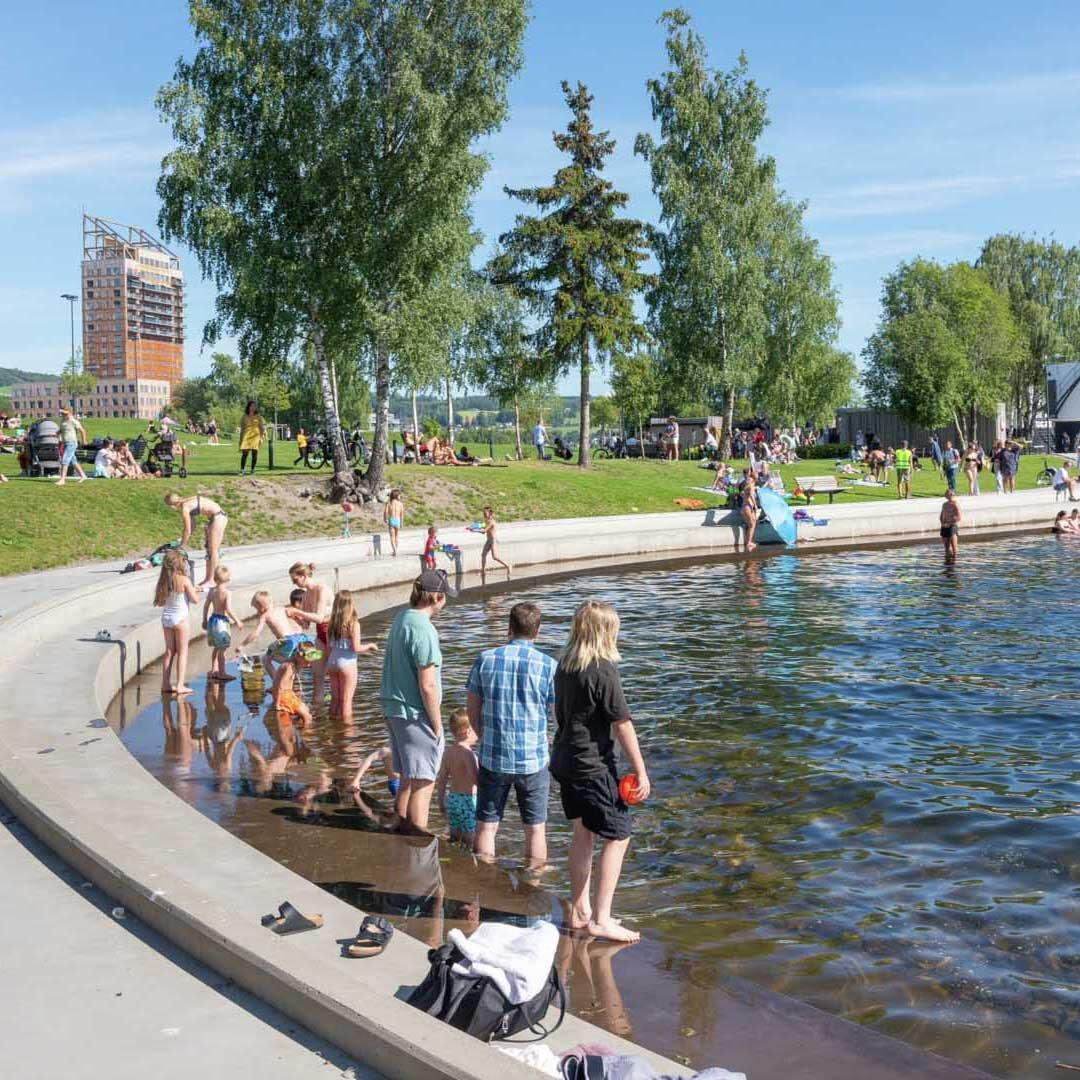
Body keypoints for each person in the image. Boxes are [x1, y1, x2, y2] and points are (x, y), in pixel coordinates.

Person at [551, 600, 650, 944]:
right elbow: (622, 724)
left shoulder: (564, 666)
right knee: (618, 835)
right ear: (604, 632)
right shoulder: (602, 669)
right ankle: (601, 919)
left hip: (564, 759)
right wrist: (641, 771)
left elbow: (558, 714)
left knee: (582, 832)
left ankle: (580, 910)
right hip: (590, 764)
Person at [467, 601, 557, 867]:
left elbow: (472, 708)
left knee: (486, 827)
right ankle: (534, 888)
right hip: (533, 759)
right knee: (535, 829)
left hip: (493, 756)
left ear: (509, 628)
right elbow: (557, 716)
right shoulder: (549, 666)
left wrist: (483, 736)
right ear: (537, 632)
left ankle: (485, 880)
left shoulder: (486, 659)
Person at [379, 568, 454, 832]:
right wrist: (437, 725)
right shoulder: (424, 630)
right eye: (444, 596)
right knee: (424, 784)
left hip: (394, 709)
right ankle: (417, 847)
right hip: (415, 714)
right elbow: (428, 685)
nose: (445, 601)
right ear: (435, 597)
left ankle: (399, 831)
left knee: (408, 779)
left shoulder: (402, 617)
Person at [284, 562, 333, 707]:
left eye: (295, 580)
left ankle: (337, 713)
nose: (294, 584)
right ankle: (318, 714)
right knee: (317, 677)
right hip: (321, 635)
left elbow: (319, 617)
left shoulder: (322, 589)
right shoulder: (305, 596)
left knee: (335, 678)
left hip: (334, 635)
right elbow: (306, 625)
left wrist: (297, 611)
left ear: (304, 576)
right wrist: (290, 617)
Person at [326, 588, 378, 719]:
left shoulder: (331, 623)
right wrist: (370, 646)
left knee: (335, 699)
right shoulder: (353, 624)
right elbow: (356, 648)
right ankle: (347, 733)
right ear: (350, 604)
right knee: (346, 700)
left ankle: (332, 724)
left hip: (332, 662)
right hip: (347, 663)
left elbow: (328, 647)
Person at [154, 549, 200, 696]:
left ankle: (165, 684)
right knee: (182, 652)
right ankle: (180, 685)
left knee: (169, 651)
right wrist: (194, 590)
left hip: (167, 618)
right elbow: (195, 600)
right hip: (181, 619)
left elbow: (160, 602)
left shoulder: (164, 581)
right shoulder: (184, 580)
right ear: (180, 564)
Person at [237, 590, 309, 678]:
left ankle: (276, 683)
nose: (257, 612)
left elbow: (255, 634)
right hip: (300, 638)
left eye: (257, 609)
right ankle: (291, 683)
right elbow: (303, 624)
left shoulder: (265, 616)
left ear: (262, 606)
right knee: (293, 662)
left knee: (266, 659)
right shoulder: (283, 609)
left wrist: (242, 645)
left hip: (287, 641)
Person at [164, 492, 228, 589]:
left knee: (213, 549)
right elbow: (192, 527)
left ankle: (212, 580)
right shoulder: (188, 501)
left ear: (171, 506)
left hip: (218, 517)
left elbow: (187, 530)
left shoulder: (185, 508)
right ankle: (207, 579)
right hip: (216, 517)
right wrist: (180, 540)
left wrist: (181, 545)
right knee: (209, 550)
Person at [436, 708, 479, 846]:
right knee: (470, 838)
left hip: (453, 799)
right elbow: (475, 779)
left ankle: (453, 856)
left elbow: (441, 780)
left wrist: (441, 801)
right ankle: (469, 863)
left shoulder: (448, 752)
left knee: (455, 836)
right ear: (467, 732)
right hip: (469, 801)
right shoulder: (468, 754)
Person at [202, 564, 241, 681]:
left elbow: (205, 606)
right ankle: (222, 672)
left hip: (212, 620)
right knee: (222, 649)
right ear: (228, 579)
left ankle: (214, 669)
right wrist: (237, 620)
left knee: (216, 647)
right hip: (221, 623)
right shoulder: (227, 593)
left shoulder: (211, 591)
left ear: (214, 578)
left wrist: (204, 620)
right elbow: (228, 609)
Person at [271, 640, 316, 726]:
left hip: (288, 694)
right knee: (307, 717)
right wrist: (277, 704)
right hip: (284, 697)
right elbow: (280, 686)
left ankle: (299, 727)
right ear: (299, 656)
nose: (308, 665)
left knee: (306, 709)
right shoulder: (289, 667)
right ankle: (307, 735)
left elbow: (282, 682)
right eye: (307, 662)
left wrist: (295, 694)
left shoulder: (293, 664)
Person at [54, 408, 87, 486]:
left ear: (68, 413)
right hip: (65, 443)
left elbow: (82, 430)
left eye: (64, 413)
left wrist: (84, 441)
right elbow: (61, 430)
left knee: (65, 460)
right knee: (73, 461)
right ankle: (83, 476)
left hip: (72, 443)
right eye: (62, 414)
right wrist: (57, 433)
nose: (62, 415)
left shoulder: (73, 421)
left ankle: (62, 480)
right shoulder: (63, 421)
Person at [480, 506, 511, 580]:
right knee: (483, 555)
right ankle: (483, 571)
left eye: (485, 513)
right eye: (483, 513)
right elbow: (482, 528)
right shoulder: (486, 520)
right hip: (488, 540)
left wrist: (474, 530)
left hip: (493, 540)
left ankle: (508, 566)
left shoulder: (492, 522)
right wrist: (475, 528)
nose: (484, 514)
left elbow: (484, 531)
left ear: (490, 514)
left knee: (495, 557)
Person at [238, 399, 265, 474]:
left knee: (254, 453)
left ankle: (252, 470)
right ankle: (242, 470)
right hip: (247, 435)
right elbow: (242, 428)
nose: (253, 407)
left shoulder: (258, 416)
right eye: (251, 406)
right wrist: (240, 439)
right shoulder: (244, 416)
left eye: (254, 406)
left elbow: (261, 427)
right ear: (248, 407)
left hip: (256, 435)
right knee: (245, 453)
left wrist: (262, 437)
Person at [940, 489, 961, 562]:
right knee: (946, 547)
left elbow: (958, 517)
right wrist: (942, 523)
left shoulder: (955, 504)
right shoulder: (944, 504)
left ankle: (954, 561)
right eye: (948, 494)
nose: (949, 496)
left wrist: (950, 523)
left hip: (952, 527)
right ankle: (947, 561)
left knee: (954, 547)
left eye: (951, 494)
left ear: (954, 495)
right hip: (944, 527)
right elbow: (942, 515)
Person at [740, 472, 759, 552]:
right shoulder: (751, 485)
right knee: (751, 524)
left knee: (753, 523)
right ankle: (748, 542)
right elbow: (751, 495)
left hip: (746, 506)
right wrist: (755, 505)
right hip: (748, 507)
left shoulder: (749, 485)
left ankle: (749, 541)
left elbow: (743, 494)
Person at [385, 489, 404, 557]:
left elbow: (386, 512)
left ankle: (395, 551)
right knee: (397, 537)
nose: (400, 496)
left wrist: (385, 519)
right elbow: (402, 514)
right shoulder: (401, 504)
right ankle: (395, 550)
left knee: (392, 537)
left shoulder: (389, 503)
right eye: (399, 495)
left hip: (391, 520)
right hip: (398, 520)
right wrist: (401, 523)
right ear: (397, 496)